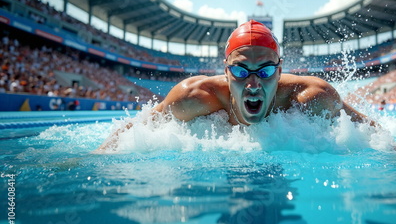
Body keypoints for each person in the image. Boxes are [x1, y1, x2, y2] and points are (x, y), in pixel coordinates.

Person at [99, 20, 374, 150]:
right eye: (241, 71)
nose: (253, 83)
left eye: (265, 70)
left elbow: (369, 130)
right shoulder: (193, 98)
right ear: (226, 72)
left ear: (279, 72)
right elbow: (136, 131)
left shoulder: (313, 96)